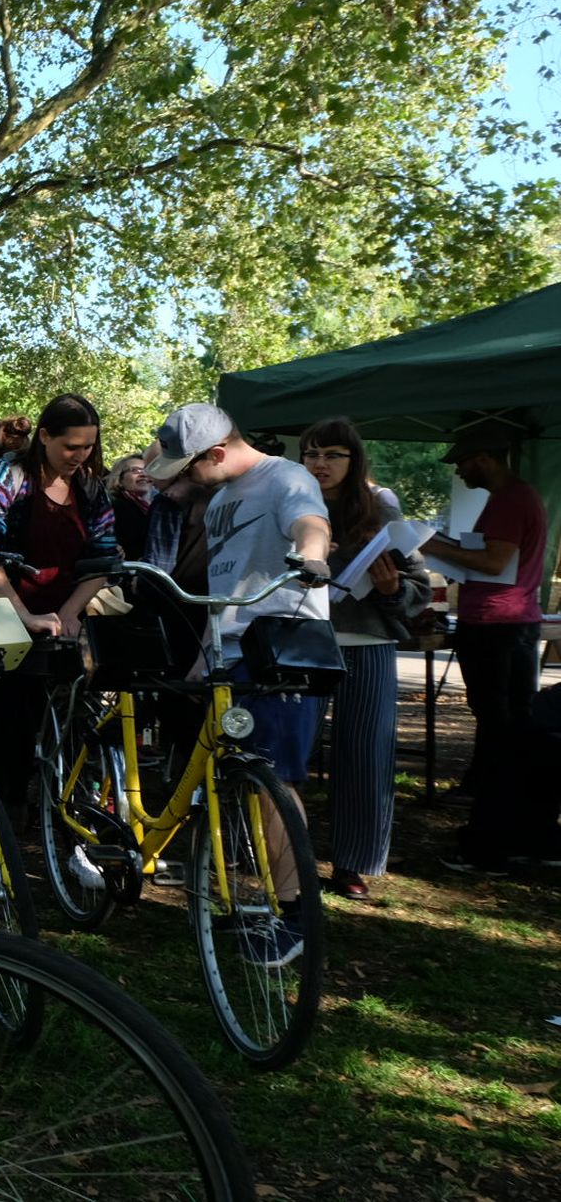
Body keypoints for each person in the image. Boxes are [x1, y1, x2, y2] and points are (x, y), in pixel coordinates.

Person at [147, 403, 332, 965]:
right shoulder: (222, 498)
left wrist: (311, 556)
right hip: (226, 654)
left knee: (273, 778)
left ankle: (297, 912)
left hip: (279, 646)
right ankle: (253, 899)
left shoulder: (287, 478)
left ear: (218, 453)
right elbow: (218, 583)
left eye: (187, 468)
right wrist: (205, 651)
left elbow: (311, 523)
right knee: (239, 777)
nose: (182, 479)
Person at [0, 393, 117, 819]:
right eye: (71, 447)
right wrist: (21, 614)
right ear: (44, 436)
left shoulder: (90, 487)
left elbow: (102, 560)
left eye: (88, 447)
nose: (80, 456)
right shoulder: (7, 473)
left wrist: (67, 613)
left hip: (55, 625)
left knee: (60, 735)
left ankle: (53, 832)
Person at [301, 418, 428, 899]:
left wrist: (393, 588)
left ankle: (351, 862)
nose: (321, 464)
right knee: (289, 753)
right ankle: (280, 850)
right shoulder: (289, 502)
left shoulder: (379, 507)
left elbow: (416, 585)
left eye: (333, 454)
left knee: (366, 755)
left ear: (354, 460)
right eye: (312, 454)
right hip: (304, 642)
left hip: (369, 642)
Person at [418, 424, 552, 873]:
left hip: (498, 626)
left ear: (485, 459)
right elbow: (494, 557)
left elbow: (495, 561)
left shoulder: (511, 499)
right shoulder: (512, 498)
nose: (458, 471)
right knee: (511, 734)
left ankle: (487, 847)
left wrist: (431, 545)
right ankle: (525, 837)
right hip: (506, 623)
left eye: (462, 462)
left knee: (501, 737)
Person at [109, 452, 154, 564]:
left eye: (147, 470)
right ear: (120, 479)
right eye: (135, 470)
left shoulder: (152, 507)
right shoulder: (115, 507)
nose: (143, 474)